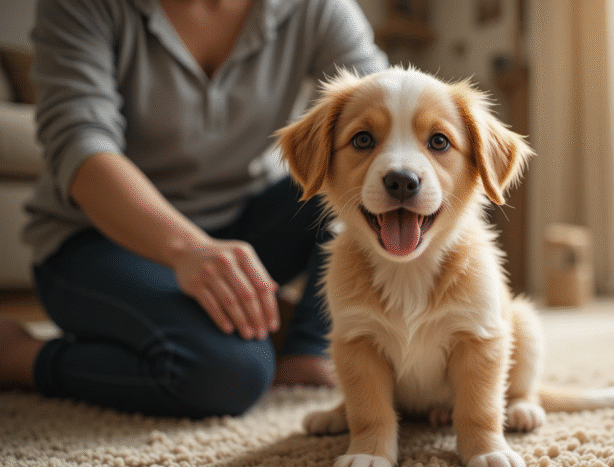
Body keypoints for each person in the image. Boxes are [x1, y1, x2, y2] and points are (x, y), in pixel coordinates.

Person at [0, 0, 387, 418]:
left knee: (353, 182)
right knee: (228, 373)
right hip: (98, 239)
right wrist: (188, 248)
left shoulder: (318, 7)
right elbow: (80, 145)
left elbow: (387, 107)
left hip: (242, 226)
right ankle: (19, 356)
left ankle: (306, 346)